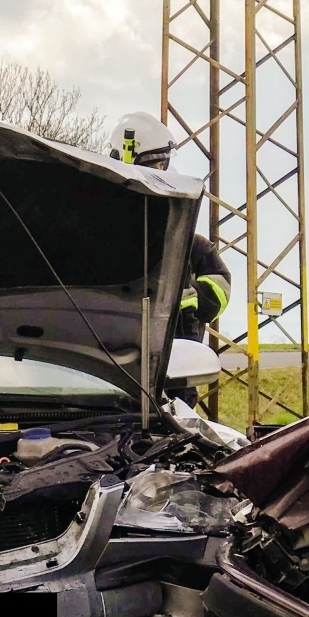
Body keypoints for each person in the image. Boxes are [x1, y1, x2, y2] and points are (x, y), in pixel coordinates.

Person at [108, 112, 231, 404]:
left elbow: (220, 292)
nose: (163, 169)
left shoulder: (192, 246)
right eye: (157, 163)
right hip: (112, 383)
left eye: (164, 162)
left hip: (176, 383)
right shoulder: (107, 238)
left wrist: (189, 295)